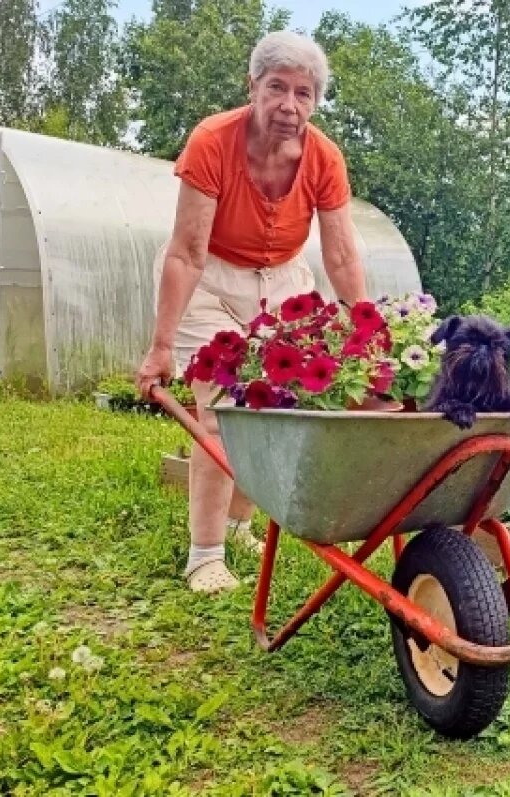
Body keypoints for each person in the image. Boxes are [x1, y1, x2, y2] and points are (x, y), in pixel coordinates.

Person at [136, 30, 369, 593]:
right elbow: (187, 251)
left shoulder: (324, 157)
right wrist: (162, 345)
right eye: (277, 88)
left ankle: (240, 525)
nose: (290, 106)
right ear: (252, 87)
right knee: (220, 411)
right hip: (209, 279)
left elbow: (339, 252)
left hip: (284, 279)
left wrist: (366, 331)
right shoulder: (213, 141)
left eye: (305, 94)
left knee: (274, 402)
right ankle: (205, 555)